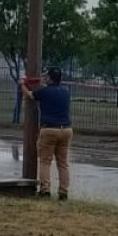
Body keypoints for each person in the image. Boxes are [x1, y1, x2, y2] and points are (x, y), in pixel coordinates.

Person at [20, 68, 73, 200]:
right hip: (66, 130)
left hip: (49, 130)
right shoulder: (66, 92)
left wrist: (22, 84)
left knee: (45, 161)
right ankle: (63, 192)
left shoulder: (45, 92)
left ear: (49, 78)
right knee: (63, 163)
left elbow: (30, 95)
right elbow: (49, 92)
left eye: (46, 77)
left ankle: (45, 190)